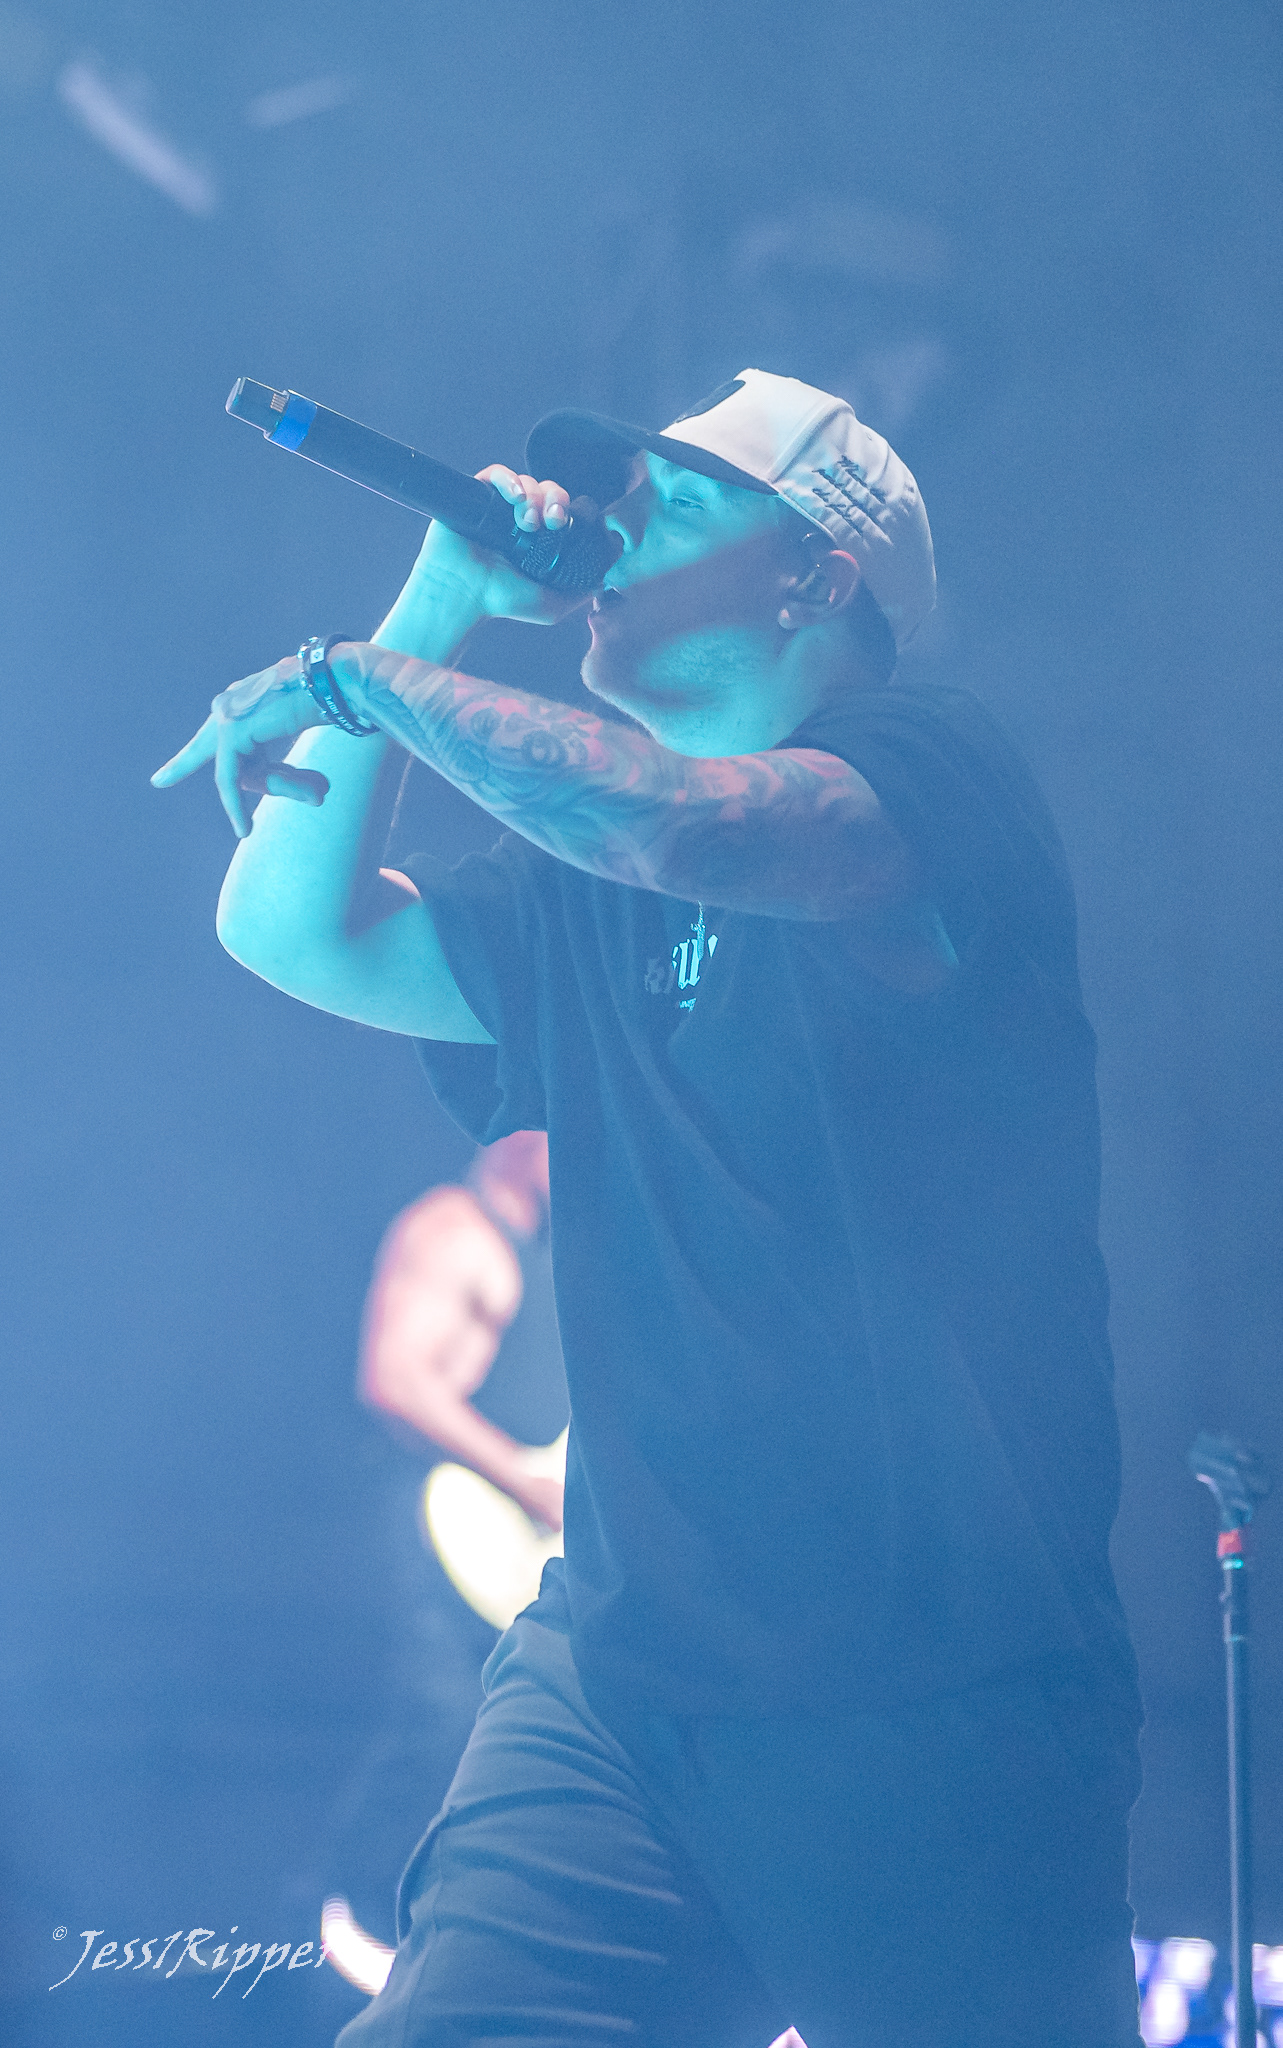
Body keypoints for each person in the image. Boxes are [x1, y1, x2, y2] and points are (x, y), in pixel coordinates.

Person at [154, 369, 1145, 2047]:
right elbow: (290, 930)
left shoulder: (930, 769)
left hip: (930, 1701)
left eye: (673, 502)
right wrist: (434, 604)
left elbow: (680, 827)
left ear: (814, 573)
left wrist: (365, 685)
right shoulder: (576, 885)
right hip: (619, 1678)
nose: (611, 528)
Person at [360, 1130, 567, 1536]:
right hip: (452, 1532)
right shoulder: (454, 1229)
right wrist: (524, 1483)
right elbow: (395, 1381)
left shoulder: (553, 1250)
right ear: (520, 1138)